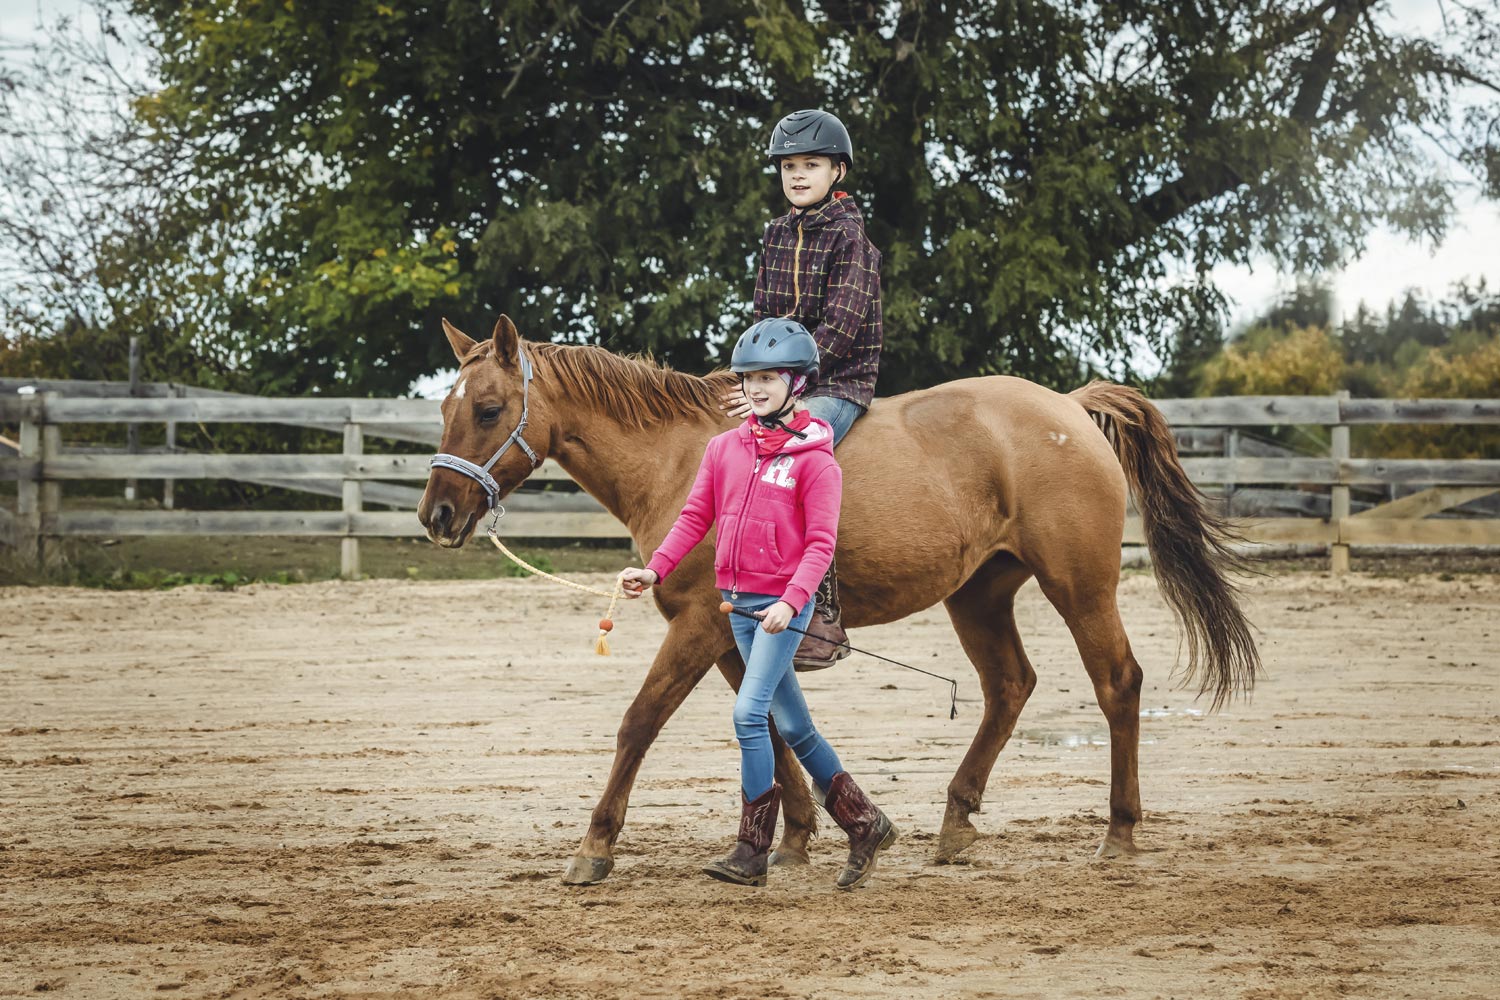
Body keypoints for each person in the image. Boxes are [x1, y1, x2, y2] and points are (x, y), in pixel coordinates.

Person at [620, 319, 896, 889]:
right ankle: (864, 821)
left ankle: (752, 846)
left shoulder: (816, 459)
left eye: (769, 377)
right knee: (793, 724)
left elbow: (821, 546)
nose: (757, 388)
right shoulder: (724, 448)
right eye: (749, 378)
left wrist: (790, 603)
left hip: (780, 608)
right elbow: (695, 518)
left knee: (749, 714)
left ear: (797, 383)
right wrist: (653, 570)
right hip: (737, 604)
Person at [722, 107, 884, 670]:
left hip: (837, 383)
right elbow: (765, 317)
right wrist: (750, 377)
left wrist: (783, 391)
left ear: (837, 171)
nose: (797, 175)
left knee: (795, 453)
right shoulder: (775, 235)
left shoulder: (851, 238)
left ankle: (819, 608)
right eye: (788, 166)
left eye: (810, 165)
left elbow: (838, 331)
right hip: (782, 381)